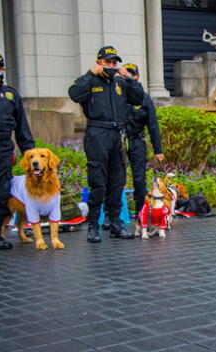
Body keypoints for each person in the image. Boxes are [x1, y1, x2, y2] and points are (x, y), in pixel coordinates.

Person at [68, 46, 144, 242]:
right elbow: (75, 94)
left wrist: (128, 78)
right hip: (97, 133)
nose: (111, 65)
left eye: (114, 62)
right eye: (107, 62)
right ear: (99, 62)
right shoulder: (90, 81)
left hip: (117, 134)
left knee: (117, 182)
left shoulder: (120, 83)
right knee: (98, 182)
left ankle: (116, 225)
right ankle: (93, 227)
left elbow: (138, 99)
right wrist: (89, 74)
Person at [0, 50, 35, 249]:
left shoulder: (10, 94)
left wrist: (30, 154)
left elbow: (22, 127)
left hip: (2, 149)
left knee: (0, 193)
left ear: (3, 70)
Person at [121, 63, 164, 217]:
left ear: (137, 77)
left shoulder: (144, 99)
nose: (129, 77)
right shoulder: (118, 96)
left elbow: (153, 125)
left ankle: (141, 214)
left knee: (139, 180)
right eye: (126, 74)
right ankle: (112, 216)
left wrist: (158, 150)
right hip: (119, 142)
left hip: (137, 142)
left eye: (132, 74)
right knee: (115, 178)